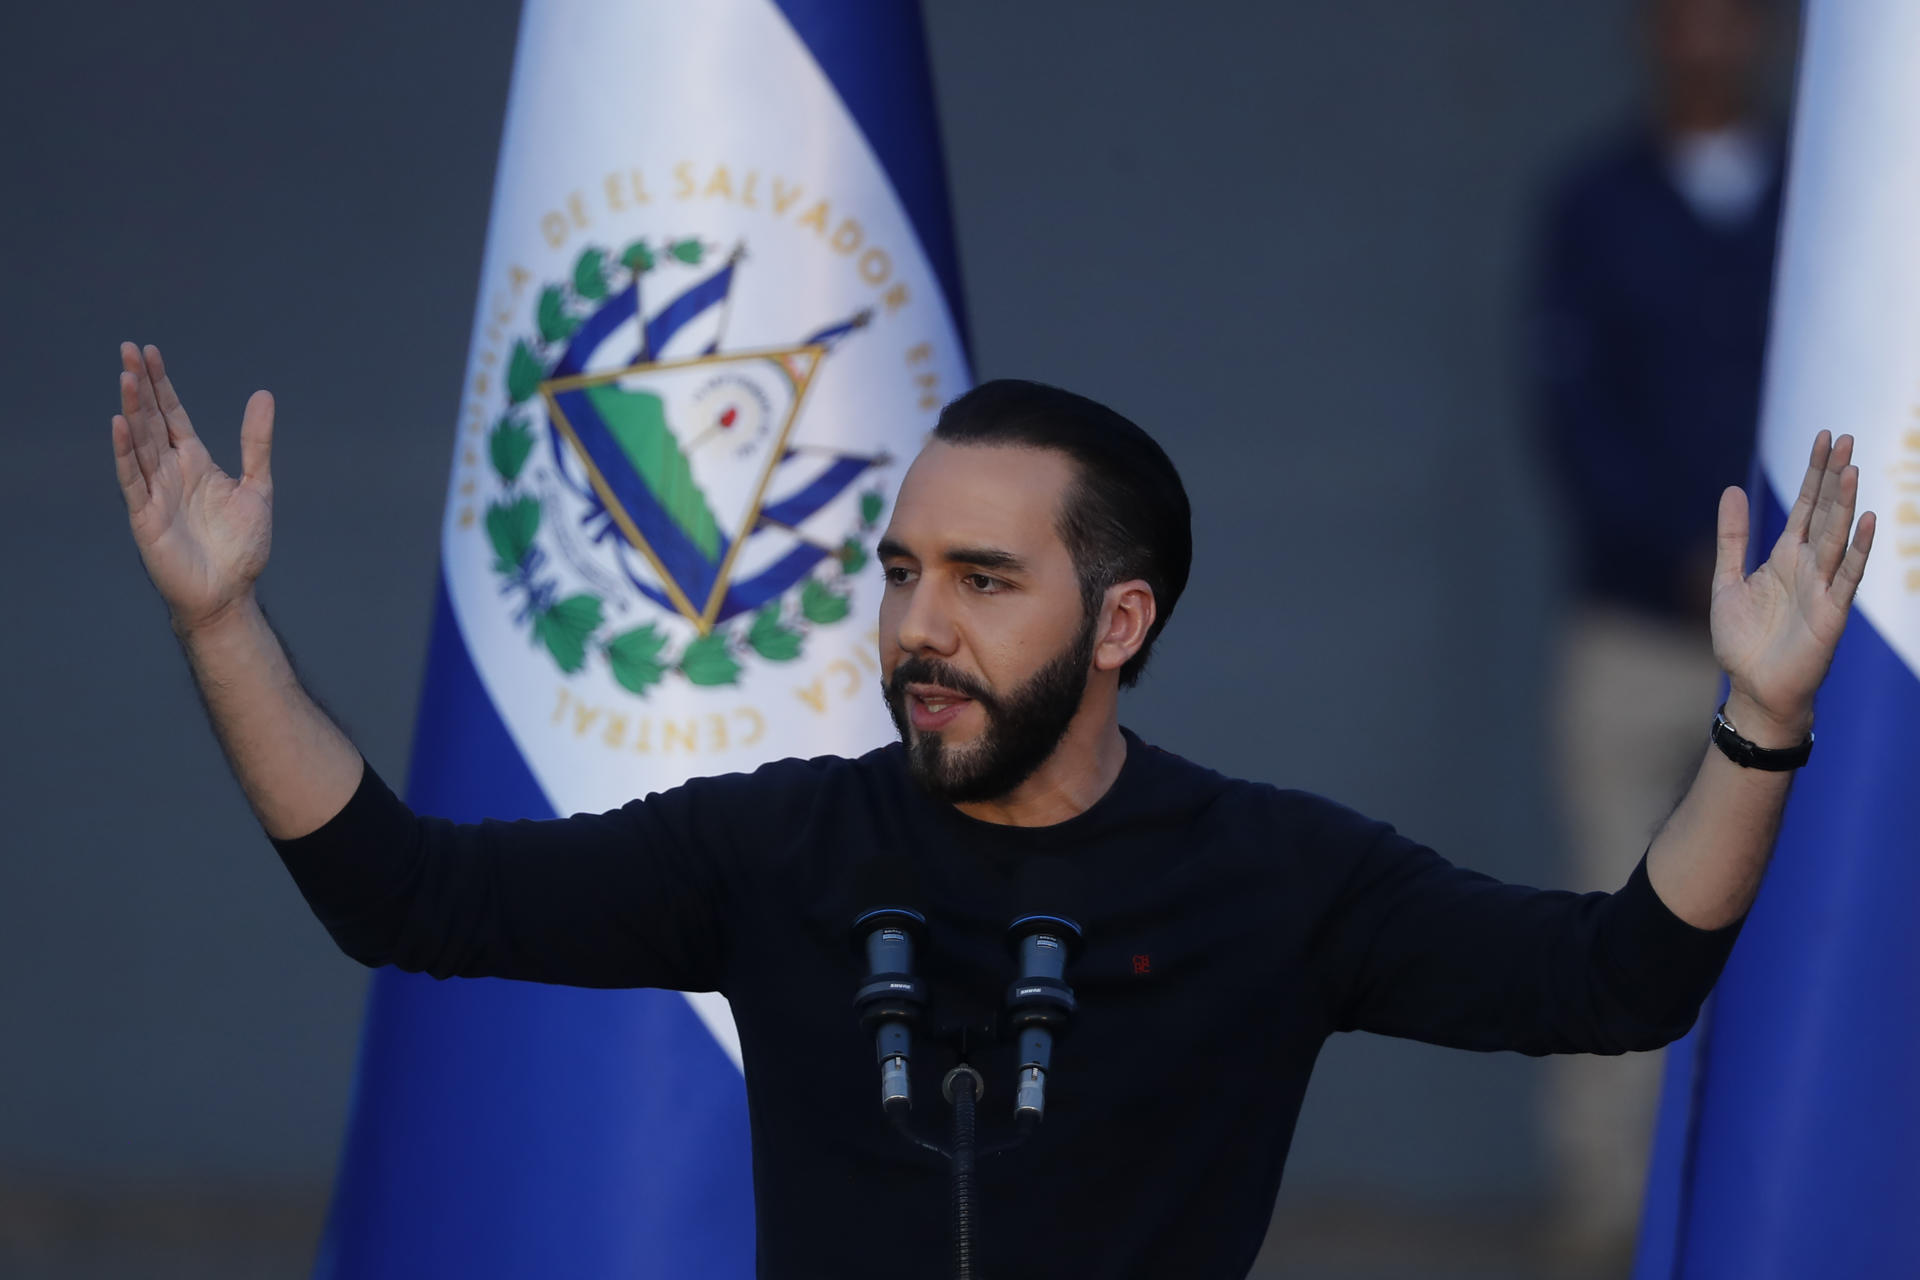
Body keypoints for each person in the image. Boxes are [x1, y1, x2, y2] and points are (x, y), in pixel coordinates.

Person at [110, 341, 1873, 1279]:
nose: (916, 627)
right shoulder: (780, 850)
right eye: (895, 573)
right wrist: (223, 623)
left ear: (1119, 625)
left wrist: (1764, 721)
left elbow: (1617, 981)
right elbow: (404, 896)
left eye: (979, 578)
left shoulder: (1273, 877)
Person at [1527, 0, 1785, 1254]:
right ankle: (1604, 1229)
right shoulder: (1593, 204)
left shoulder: (1835, 204)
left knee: (1806, 933)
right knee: (1614, 930)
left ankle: (1790, 1221)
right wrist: (1686, 566)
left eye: (1730, 11)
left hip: (1802, 654)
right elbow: (1574, 422)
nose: (1704, 34)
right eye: (1681, 10)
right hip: (1637, 633)